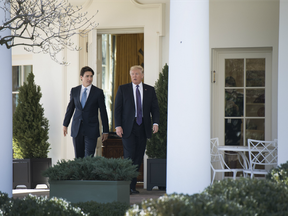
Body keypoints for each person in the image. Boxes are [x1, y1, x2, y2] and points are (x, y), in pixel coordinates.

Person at [114, 65, 160, 194]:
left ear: (142, 75)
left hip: (143, 127)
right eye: (132, 73)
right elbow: (117, 109)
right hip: (128, 128)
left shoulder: (149, 90)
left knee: (138, 157)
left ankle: (132, 186)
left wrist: (155, 122)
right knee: (129, 156)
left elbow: (154, 108)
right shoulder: (123, 89)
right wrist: (118, 126)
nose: (134, 76)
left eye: (137, 74)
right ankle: (126, 186)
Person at [63, 66, 109, 158]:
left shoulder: (98, 92)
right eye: (87, 76)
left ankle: (88, 173)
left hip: (91, 130)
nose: (90, 79)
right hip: (77, 129)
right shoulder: (74, 91)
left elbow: (103, 112)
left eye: (91, 76)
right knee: (78, 157)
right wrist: (65, 124)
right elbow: (70, 109)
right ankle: (79, 173)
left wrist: (105, 130)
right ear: (81, 77)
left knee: (89, 158)